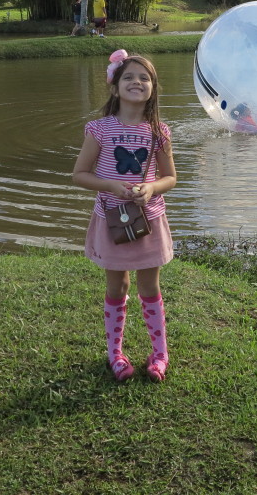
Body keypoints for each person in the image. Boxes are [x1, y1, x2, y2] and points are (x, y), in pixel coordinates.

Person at [72, 49, 177, 383]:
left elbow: (170, 177)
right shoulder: (99, 130)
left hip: (150, 220)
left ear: (153, 89)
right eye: (129, 77)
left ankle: (159, 354)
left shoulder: (159, 132)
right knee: (117, 285)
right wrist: (110, 186)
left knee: (150, 284)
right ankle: (114, 353)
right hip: (112, 219)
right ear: (115, 87)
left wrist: (150, 188)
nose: (137, 82)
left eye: (144, 78)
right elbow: (80, 174)